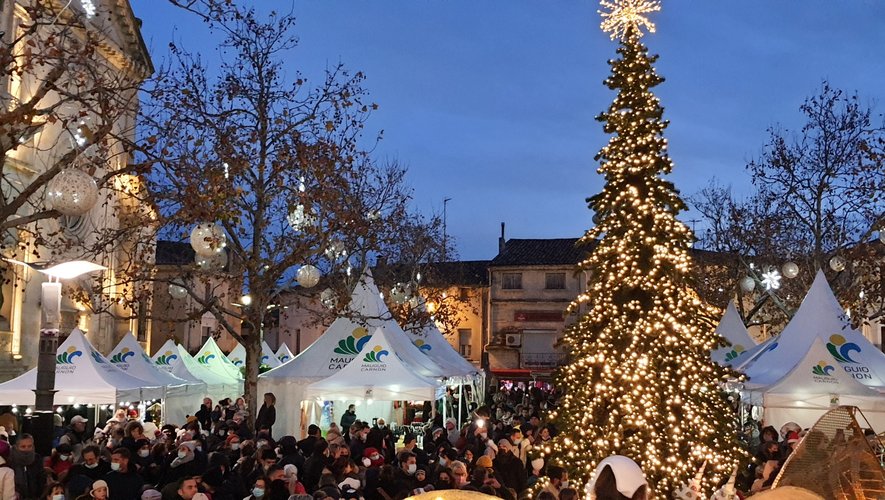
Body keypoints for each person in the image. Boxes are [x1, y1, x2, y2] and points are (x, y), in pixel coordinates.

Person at [10, 433, 46, 500]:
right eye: (23, 446)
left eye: (29, 446)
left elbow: (41, 478)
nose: (27, 449)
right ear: (17, 447)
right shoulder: (11, 459)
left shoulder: (37, 458)